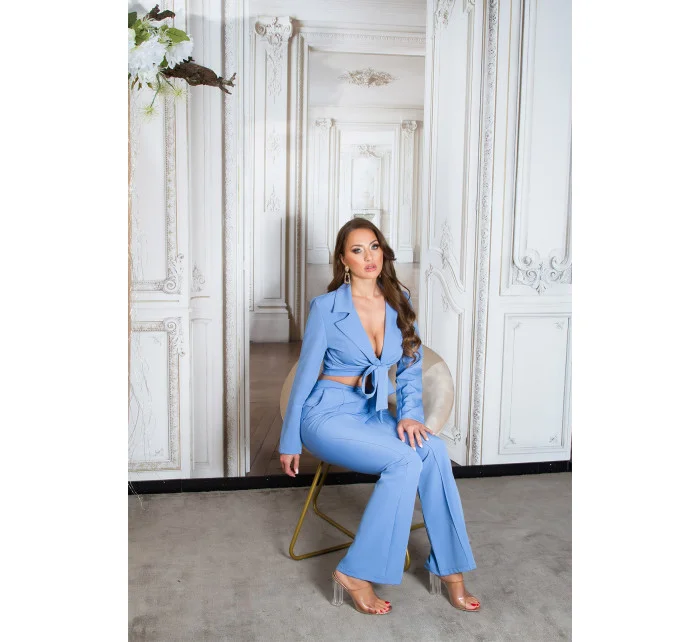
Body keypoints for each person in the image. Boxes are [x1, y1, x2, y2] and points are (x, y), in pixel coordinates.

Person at [279, 218, 480, 615]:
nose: (368, 257)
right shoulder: (325, 308)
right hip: (327, 414)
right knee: (405, 460)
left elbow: (409, 368)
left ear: (383, 251)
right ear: (343, 260)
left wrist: (410, 415)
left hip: (371, 410)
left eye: (373, 247)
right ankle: (356, 572)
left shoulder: (398, 300)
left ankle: (450, 567)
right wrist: (289, 440)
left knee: (433, 451)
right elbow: (304, 376)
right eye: (357, 250)